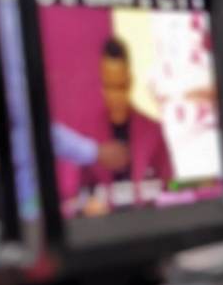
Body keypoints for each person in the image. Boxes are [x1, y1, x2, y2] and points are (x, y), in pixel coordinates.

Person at [70, 36, 172, 216]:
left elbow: (173, 190)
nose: (115, 96)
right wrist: (86, 206)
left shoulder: (153, 132)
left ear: (130, 81)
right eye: (109, 86)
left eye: (120, 86)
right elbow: (73, 197)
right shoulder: (86, 136)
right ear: (101, 85)